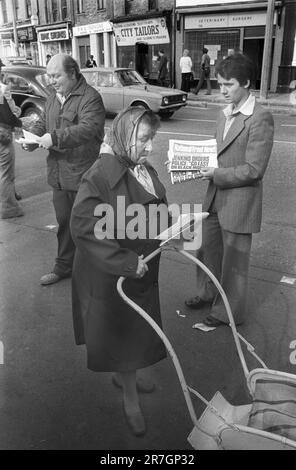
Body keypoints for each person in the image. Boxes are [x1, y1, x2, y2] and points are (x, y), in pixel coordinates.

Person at [70, 107, 170, 437]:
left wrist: (176, 228)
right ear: (125, 137)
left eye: (151, 138)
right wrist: (125, 262)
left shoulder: (142, 168)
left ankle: (128, 373)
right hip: (114, 272)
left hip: (141, 267)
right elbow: (85, 228)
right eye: (143, 139)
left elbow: (155, 210)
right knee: (125, 335)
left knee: (137, 329)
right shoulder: (99, 175)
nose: (150, 146)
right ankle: (129, 398)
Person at [185, 53, 274, 327]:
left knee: (233, 263)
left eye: (229, 84)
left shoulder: (260, 118)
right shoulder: (224, 113)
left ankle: (226, 312)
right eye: (219, 83)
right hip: (214, 198)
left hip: (239, 202)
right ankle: (206, 292)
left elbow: (254, 169)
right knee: (207, 250)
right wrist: (188, 163)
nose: (222, 90)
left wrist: (217, 174)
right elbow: (215, 152)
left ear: (246, 82)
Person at [23, 54, 105, 285]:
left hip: (83, 175)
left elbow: (89, 129)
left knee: (87, 226)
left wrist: (54, 137)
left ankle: (94, 271)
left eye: (56, 75)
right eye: (49, 76)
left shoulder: (90, 98)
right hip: (59, 176)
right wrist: (34, 138)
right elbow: (43, 123)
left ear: (73, 73)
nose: (51, 80)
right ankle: (63, 266)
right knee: (64, 224)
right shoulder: (52, 97)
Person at [0, 60, 23, 219]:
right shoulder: (1, 90)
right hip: (2, 136)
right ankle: (9, 208)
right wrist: (19, 123)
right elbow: (6, 114)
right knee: (6, 173)